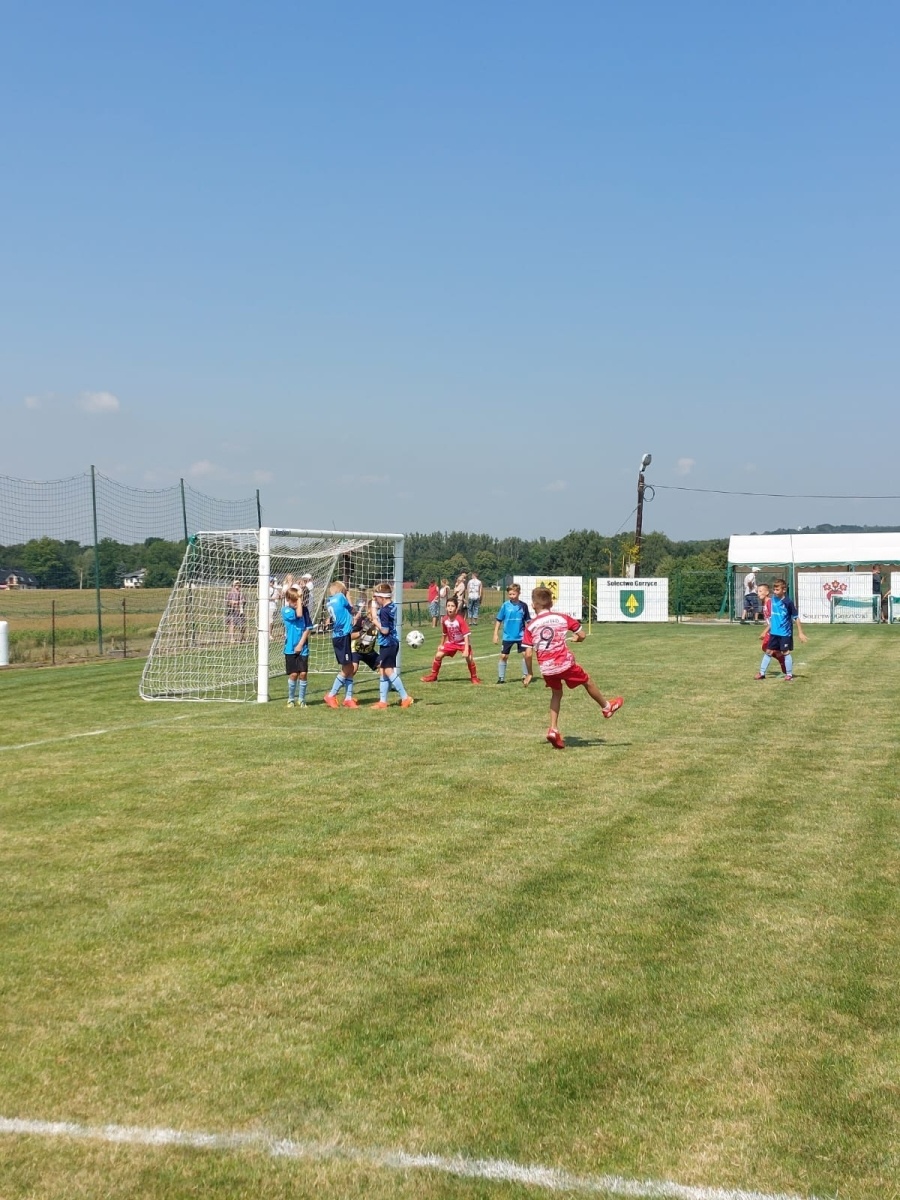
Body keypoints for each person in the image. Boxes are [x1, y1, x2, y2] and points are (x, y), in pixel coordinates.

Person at [523, 586, 623, 749]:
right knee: (587, 681)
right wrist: (577, 639)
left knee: (556, 693)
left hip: (546, 669)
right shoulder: (562, 618)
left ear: (533, 605)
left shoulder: (531, 626)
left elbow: (527, 654)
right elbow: (582, 634)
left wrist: (529, 673)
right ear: (552, 603)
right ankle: (606, 707)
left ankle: (553, 729)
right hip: (564, 663)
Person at [370, 582, 414, 708]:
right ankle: (383, 701)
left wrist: (375, 622)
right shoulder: (392, 606)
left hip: (388, 643)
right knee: (383, 671)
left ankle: (405, 697)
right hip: (392, 643)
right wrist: (374, 607)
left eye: (376, 598)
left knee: (388, 671)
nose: (376, 600)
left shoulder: (384, 611)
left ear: (381, 597)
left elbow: (385, 630)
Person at [421, 597, 482, 684]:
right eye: (448, 606)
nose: (450, 608)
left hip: (462, 642)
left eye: (452, 606)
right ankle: (433, 676)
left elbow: (466, 635)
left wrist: (466, 649)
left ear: (456, 609)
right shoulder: (444, 620)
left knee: (469, 658)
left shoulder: (460, 620)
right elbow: (444, 633)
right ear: (445, 608)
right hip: (451, 643)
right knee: (438, 655)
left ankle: (474, 678)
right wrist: (441, 644)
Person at [756, 578, 807, 681]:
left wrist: (800, 633)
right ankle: (762, 673)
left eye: (777, 589)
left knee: (785, 652)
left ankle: (789, 674)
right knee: (768, 651)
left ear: (784, 590)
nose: (775, 592)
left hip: (784, 633)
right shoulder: (773, 600)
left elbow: (796, 617)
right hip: (774, 632)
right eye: (774, 589)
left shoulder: (788, 602)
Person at [323, 581, 359, 708]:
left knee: (350, 667)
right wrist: (348, 595)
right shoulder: (340, 597)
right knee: (348, 668)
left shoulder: (330, 600)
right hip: (342, 636)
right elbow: (352, 608)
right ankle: (331, 694)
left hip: (339, 636)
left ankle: (348, 698)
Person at [493, 583, 532, 685]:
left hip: (521, 635)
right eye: (510, 594)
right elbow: (498, 620)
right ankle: (501, 678)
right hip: (508, 636)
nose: (512, 596)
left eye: (514, 594)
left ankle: (525, 675)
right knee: (503, 656)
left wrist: (531, 633)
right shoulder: (505, 606)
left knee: (526, 655)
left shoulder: (523, 606)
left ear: (519, 593)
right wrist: (495, 634)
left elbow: (528, 621)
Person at [282, 586, 313, 706]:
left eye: (298, 600)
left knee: (303, 673)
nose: (296, 603)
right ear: (288, 600)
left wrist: (301, 644)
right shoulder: (286, 611)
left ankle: (302, 699)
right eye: (294, 601)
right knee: (294, 674)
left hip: (302, 647)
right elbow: (298, 614)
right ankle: (291, 699)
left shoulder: (304, 610)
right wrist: (299, 598)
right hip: (290, 648)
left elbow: (307, 628)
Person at [756, 583, 787, 677]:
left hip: (775, 630)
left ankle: (762, 673)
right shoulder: (765, 603)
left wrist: (765, 631)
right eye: (758, 591)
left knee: (766, 648)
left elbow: (774, 620)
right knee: (769, 649)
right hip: (773, 629)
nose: (758, 593)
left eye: (760, 591)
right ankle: (782, 660)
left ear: (767, 592)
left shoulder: (769, 602)